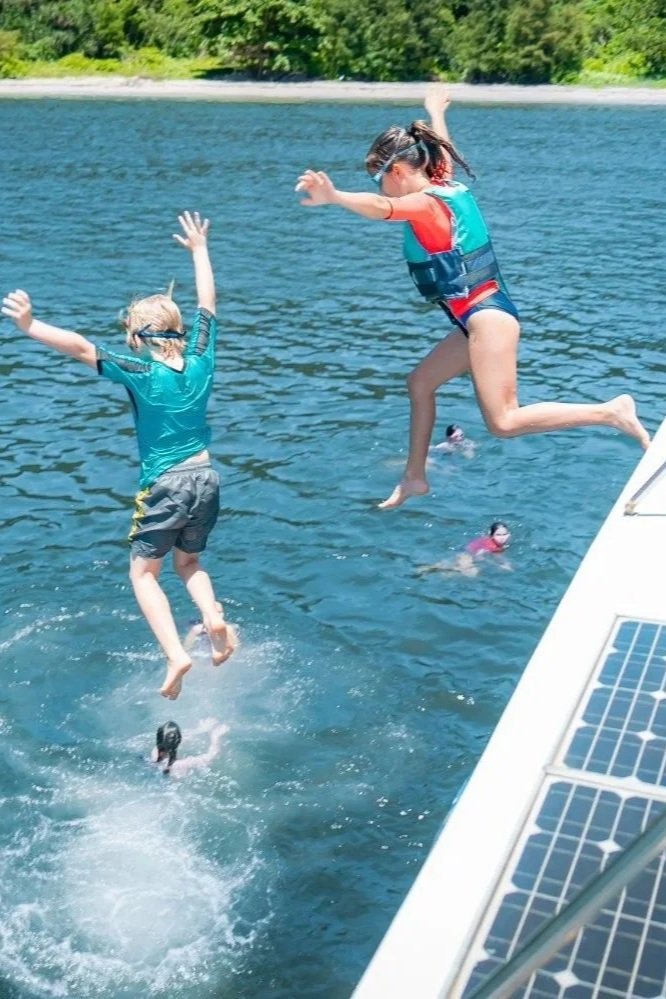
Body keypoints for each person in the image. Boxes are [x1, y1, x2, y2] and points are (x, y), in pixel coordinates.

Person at [295, 90, 650, 510]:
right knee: (420, 383)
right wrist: (434, 113)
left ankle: (610, 411)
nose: (380, 185)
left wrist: (335, 197)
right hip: (473, 320)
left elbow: (380, 206)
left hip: (487, 317)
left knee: (503, 421)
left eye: (379, 176)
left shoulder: (426, 204)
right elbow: (441, 151)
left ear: (400, 170)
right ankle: (414, 478)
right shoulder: (444, 182)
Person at [2, 211, 236, 701]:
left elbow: (83, 348)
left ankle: (176, 653)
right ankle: (213, 618)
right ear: (175, 329)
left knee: (143, 572)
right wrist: (200, 251)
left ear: (136, 337)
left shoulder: (139, 368)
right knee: (189, 563)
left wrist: (30, 325)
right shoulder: (201, 357)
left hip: (167, 482)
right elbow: (209, 305)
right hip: (207, 477)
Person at [418, 521, 512, 578]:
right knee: (472, 574)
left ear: (509, 534)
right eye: (498, 535)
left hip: (463, 552)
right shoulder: (492, 545)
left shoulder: (494, 543)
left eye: (504, 534)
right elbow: (480, 555)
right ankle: (441, 573)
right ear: (491, 535)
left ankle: (429, 570)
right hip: (467, 556)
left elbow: (498, 555)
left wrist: (504, 563)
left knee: (452, 566)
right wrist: (498, 565)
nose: (502, 538)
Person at [152, 718, 229, 778]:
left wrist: (200, 730)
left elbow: (177, 740)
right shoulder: (180, 765)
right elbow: (211, 757)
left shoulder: (155, 752)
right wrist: (215, 737)